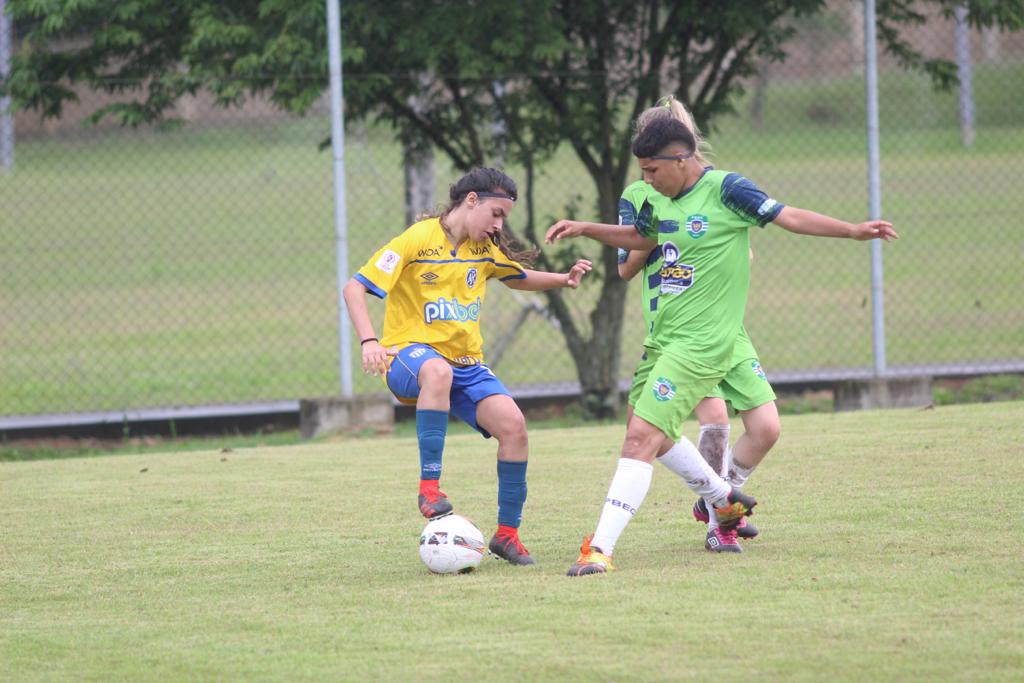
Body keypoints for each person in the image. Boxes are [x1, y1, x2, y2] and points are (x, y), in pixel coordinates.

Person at [547, 116, 898, 575]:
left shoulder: (728, 190)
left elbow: (787, 215)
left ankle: (598, 550)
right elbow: (642, 239)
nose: (646, 180)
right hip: (664, 340)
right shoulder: (658, 200)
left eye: (653, 171)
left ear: (682, 159)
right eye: (643, 172)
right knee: (655, 431)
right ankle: (722, 500)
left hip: (703, 345)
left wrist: (852, 230)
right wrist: (586, 228)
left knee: (640, 438)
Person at [343, 167, 592, 567]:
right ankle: (429, 489)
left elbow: (517, 276)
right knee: (437, 371)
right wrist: (369, 341)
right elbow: (355, 287)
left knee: (514, 427)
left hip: (467, 365)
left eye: (504, 218)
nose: (498, 224)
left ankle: (508, 536)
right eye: (496, 213)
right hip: (409, 358)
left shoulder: (482, 250)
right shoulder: (417, 239)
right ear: (471, 200)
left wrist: (564, 279)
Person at [618, 97, 763, 553]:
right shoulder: (643, 194)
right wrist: (661, 234)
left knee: (766, 428)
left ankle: (719, 501)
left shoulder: (716, 190)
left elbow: (744, 248)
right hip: (679, 324)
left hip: (724, 324)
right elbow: (626, 266)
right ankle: (721, 518)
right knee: (713, 416)